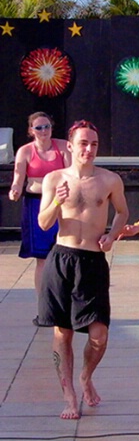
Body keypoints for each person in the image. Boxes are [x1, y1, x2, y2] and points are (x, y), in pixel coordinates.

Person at [36, 120, 129, 420]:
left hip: (92, 261)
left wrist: (112, 235)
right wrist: (57, 202)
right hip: (62, 258)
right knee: (62, 334)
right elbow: (44, 223)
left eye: (94, 144)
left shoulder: (109, 180)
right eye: (83, 143)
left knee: (99, 334)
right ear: (71, 146)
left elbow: (123, 212)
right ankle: (69, 396)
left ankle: (86, 376)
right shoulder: (54, 179)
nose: (89, 149)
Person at [8, 112, 71, 317]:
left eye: (46, 127)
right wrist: (15, 190)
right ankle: (45, 306)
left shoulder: (62, 147)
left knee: (66, 253)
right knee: (42, 258)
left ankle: (66, 300)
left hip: (61, 203)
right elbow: (18, 178)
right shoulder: (25, 151)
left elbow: (73, 172)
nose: (43, 131)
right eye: (38, 128)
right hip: (36, 204)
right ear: (31, 131)